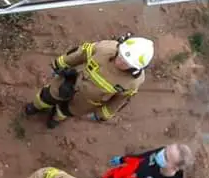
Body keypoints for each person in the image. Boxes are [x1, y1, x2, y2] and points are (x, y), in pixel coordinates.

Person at [24, 34, 154, 129]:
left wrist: (103, 114)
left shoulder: (133, 82)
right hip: (70, 80)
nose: (119, 62)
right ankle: (36, 106)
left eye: (126, 63)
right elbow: (80, 53)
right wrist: (60, 64)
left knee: (67, 111)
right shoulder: (105, 48)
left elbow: (120, 100)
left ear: (135, 68)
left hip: (86, 102)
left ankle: (56, 117)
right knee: (48, 95)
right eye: (120, 55)